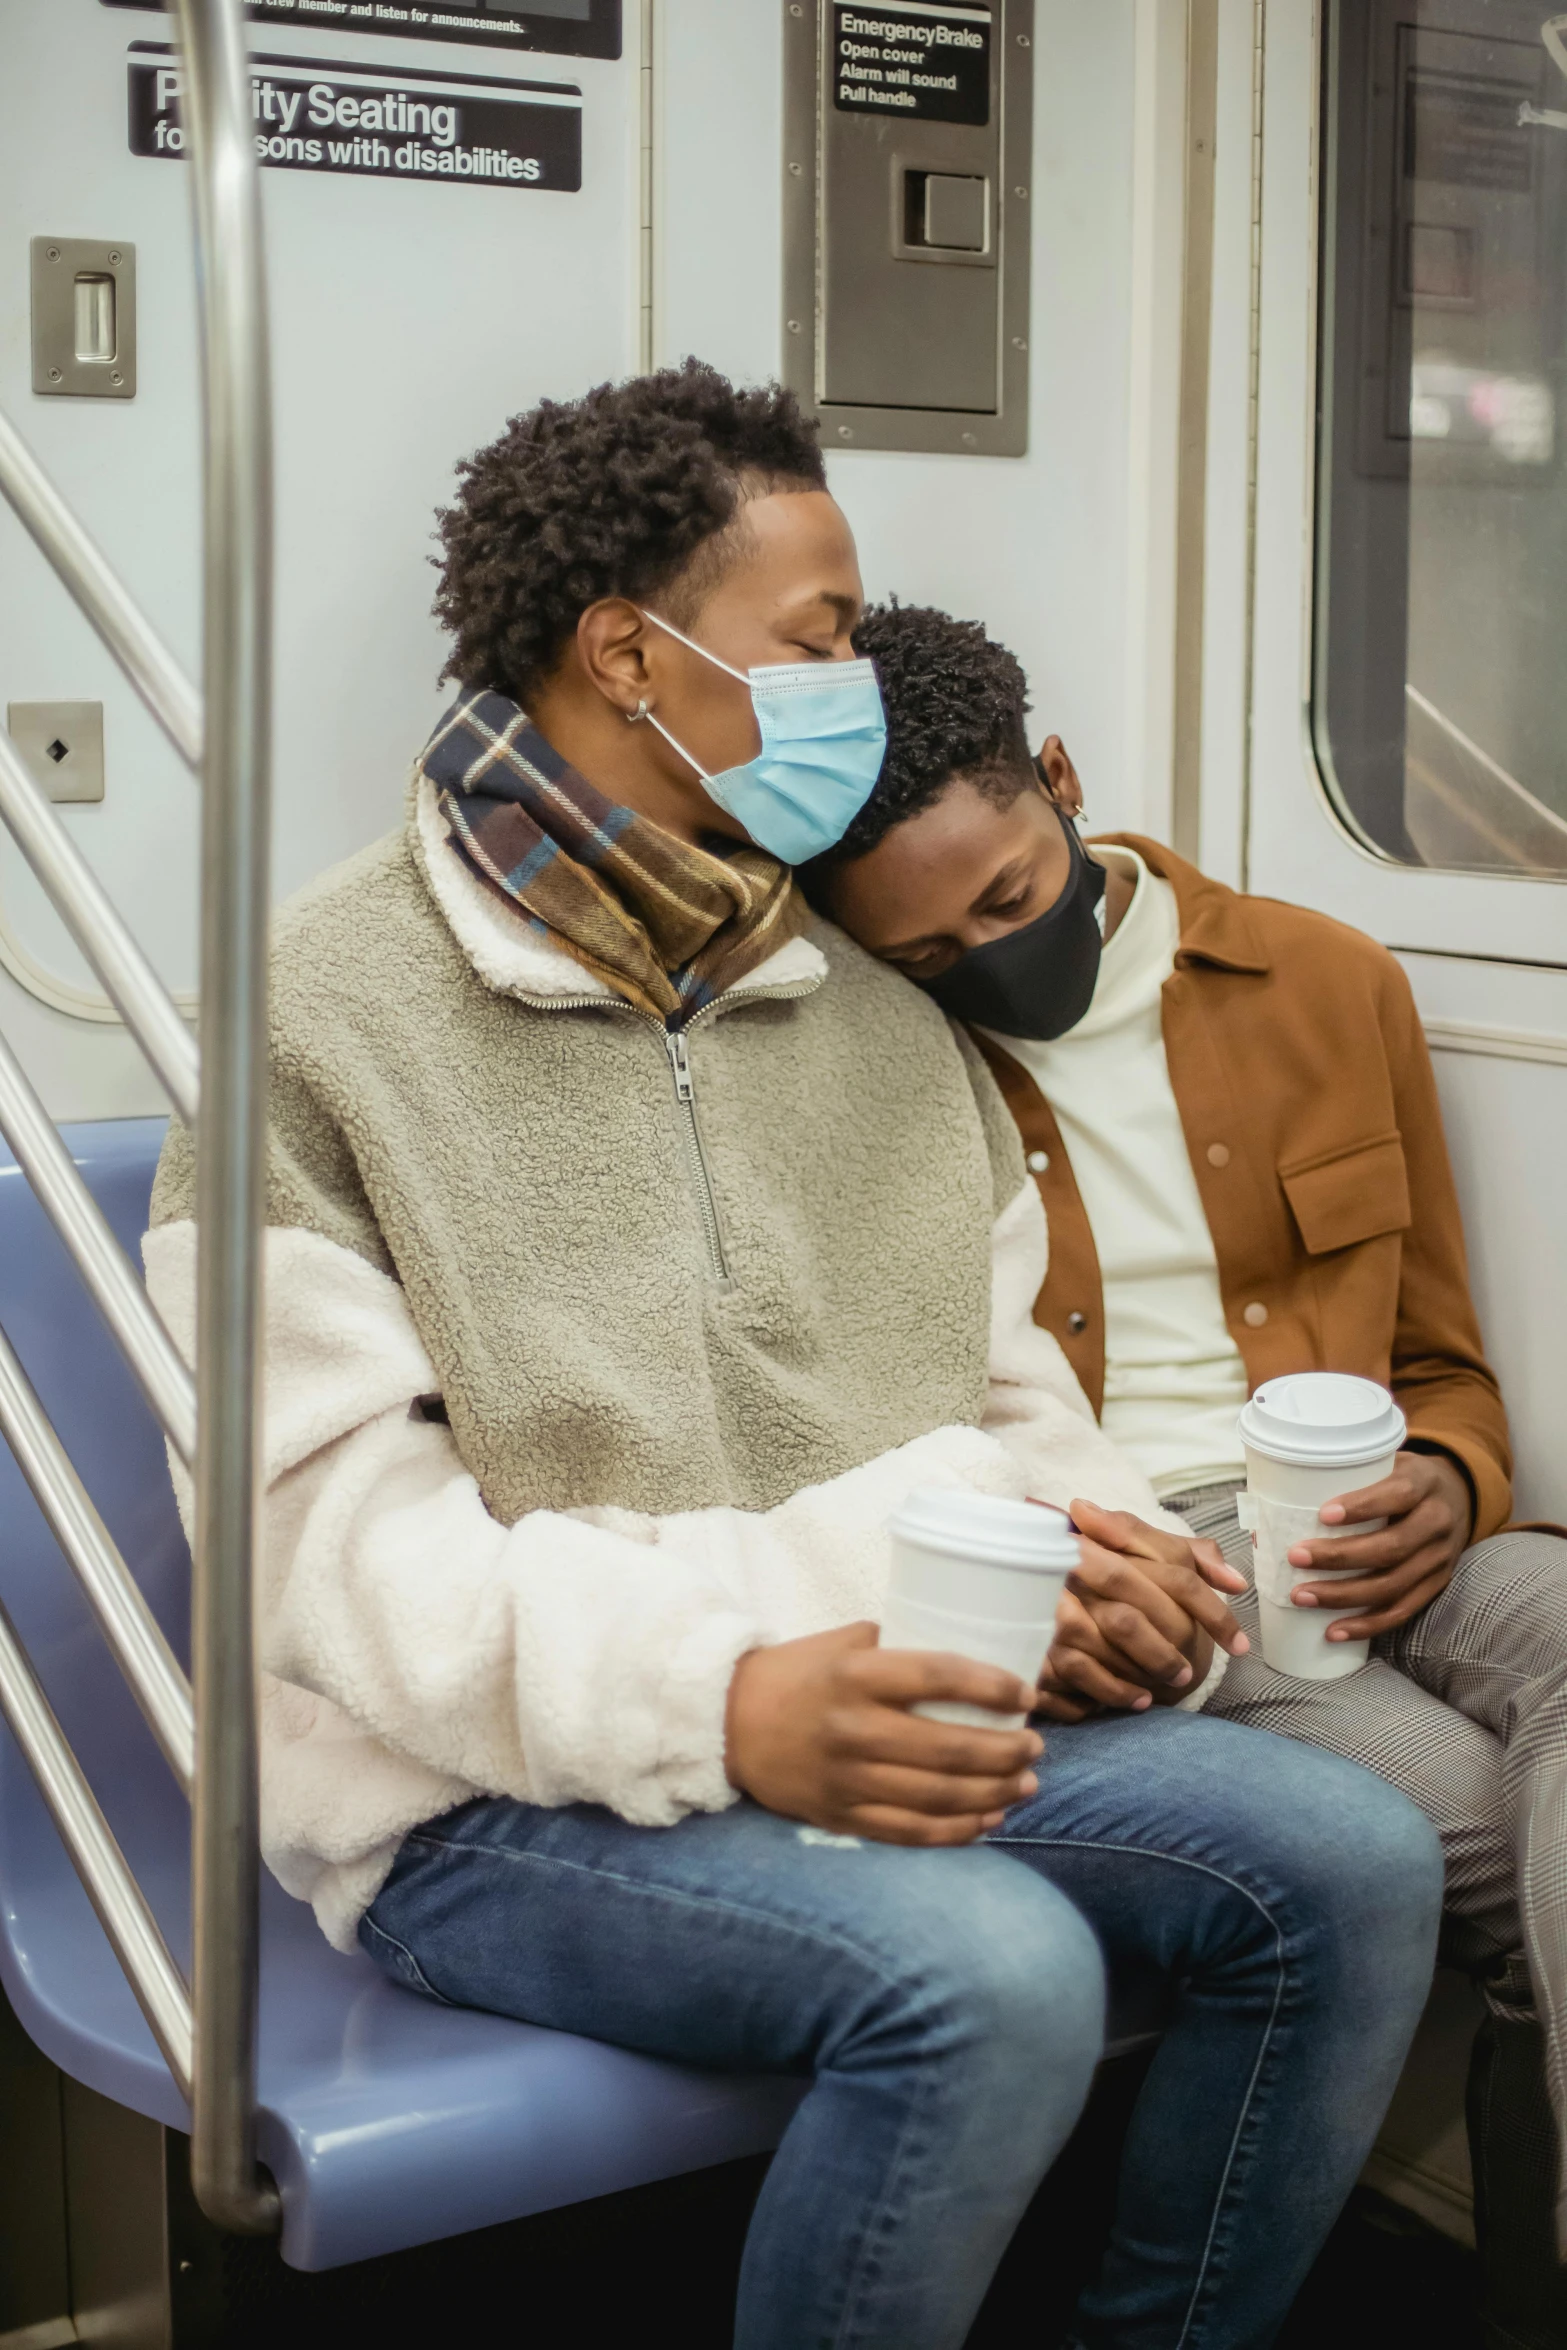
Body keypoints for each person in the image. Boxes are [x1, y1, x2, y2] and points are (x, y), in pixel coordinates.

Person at [145, 368, 1442, 2350]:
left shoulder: (870, 1014)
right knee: (990, 1972)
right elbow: (328, 1560)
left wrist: (1098, 1563)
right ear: (624, 651)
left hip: (883, 1705)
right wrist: (727, 1693)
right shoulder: (317, 1013)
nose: (851, 673)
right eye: (818, 635)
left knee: (1350, 1859)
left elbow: (1013, 1411)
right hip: (485, 1788)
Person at [803, 594, 1567, 2348]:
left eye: (1008, 898)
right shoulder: (864, 1073)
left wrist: (1450, 1474)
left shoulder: (1327, 977)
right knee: (1467, 1828)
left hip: (1390, 1519)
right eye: (926, 955)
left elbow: (1444, 1359)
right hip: (1173, 1578)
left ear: (1061, 784)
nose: (988, 960)